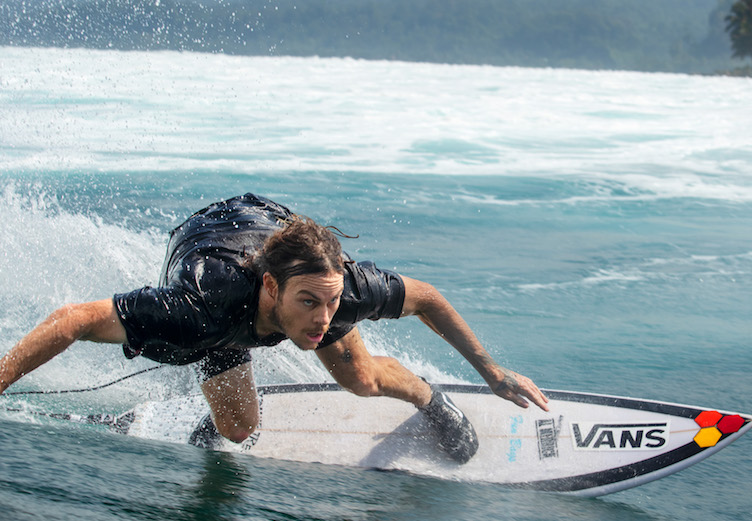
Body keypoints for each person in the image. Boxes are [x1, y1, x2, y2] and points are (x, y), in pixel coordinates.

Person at [0, 193, 549, 464]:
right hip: (206, 242)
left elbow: (427, 298)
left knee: (359, 378)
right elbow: (72, 320)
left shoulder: (337, 290)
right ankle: (217, 404)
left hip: (268, 224)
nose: (323, 319)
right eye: (309, 303)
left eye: (332, 302)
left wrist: (492, 372)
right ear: (271, 288)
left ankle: (430, 399)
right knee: (239, 428)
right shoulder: (200, 309)